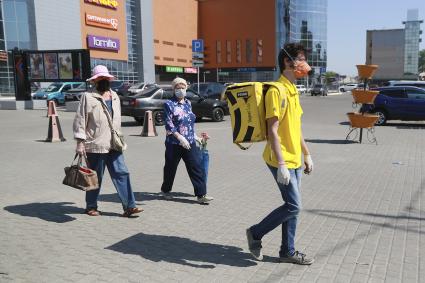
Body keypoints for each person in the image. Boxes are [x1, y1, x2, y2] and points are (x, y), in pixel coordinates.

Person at [246, 43, 314, 264]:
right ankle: (255, 233)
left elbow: (296, 127)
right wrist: (282, 164)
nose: (305, 64)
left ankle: (287, 251)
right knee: (294, 206)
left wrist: (307, 154)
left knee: (292, 209)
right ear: (288, 62)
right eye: (301, 59)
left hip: (295, 158)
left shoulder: (293, 90)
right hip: (279, 158)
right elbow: (272, 130)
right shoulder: (276, 90)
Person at [73, 65, 143, 217]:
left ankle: (129, 207)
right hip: (96, 144)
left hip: (114, 143)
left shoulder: (115, 96)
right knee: (95, 176)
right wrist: (80, 142)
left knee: (122, 173)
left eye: (105, 78)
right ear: (95, 81)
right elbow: (80, 120)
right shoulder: (88, 96)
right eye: (100, 78)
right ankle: (91, 206)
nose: (103, 80)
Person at [160, 77, 214, 204]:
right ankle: (165, 190)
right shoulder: (169, 104)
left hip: (189, 141)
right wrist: (179, 137)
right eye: (178, 88)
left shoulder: (188, 103)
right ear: (174, 89)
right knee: (170, 168)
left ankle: (201, 195)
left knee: (196, 166)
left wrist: (197, 137)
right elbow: (169, 124)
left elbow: (189, 123)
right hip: (174, 143)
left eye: (183, 87)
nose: (180, 90)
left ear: (186, 88)